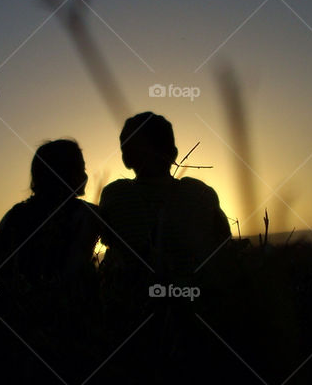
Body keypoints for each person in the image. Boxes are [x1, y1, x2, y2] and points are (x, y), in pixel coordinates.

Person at [99, 112, 231, 279]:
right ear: (174, 153)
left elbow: (107, 240)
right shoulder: (201, 193)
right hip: (192, 297)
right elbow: (224, 242)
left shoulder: (114, 194)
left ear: (126, 159)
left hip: (132, 298)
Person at [0, 139, 100, 290]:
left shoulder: (15, 214)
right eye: (81, 169)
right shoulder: (87, 215)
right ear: (66, 173)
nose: (85, 176)